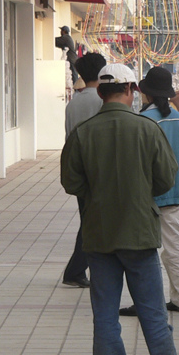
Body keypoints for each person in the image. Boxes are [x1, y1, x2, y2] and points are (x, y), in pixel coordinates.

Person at [60, 63, 179, 355]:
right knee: (153, 317)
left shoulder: (83, 133)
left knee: (105, 318)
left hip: (99, 237)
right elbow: (165, 180)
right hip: (140, 235)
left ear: (100, 92)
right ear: (131, 90)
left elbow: (71, 183)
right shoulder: (146, 130)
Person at [120, 66, 179, 315]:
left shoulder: (142, 121)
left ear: (146, 94)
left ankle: (145, 302)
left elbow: (133, 161)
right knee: (175, 247)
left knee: (142, 252)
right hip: (172, 195)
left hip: (144, 197)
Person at [62, 52, 108, 288]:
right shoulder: (102, 101)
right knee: (92, 223)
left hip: (79, 169)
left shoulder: (73, 103)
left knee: (88, 219)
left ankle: (77, 270)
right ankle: (75, 270)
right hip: (98, 170)